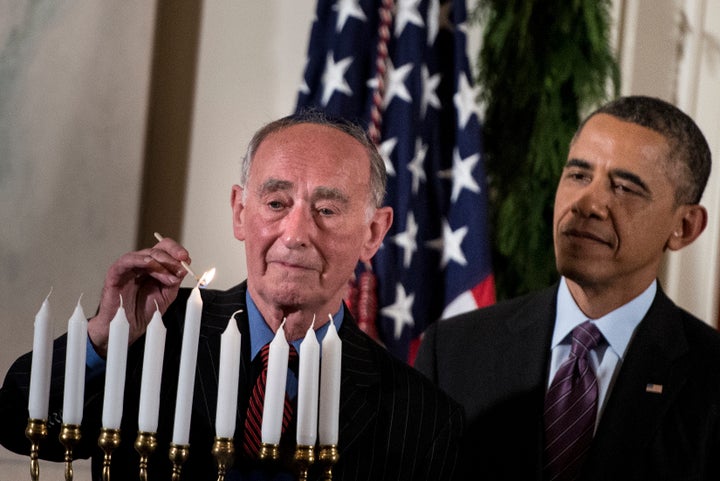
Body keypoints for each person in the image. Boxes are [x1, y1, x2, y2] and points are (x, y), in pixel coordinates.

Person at [0, 111, 464, 480]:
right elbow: (18, 424)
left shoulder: (421, 418)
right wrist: (106, 337)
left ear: (374, 232)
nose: (296, 233)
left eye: (326, 209)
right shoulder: (156, 335)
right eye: (277, 204)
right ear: (240, 212)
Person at [415, 95, 720, 480]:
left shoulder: (711, 381)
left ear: (685, 227)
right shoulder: (454, 351)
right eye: (578, 175)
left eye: (624, 188)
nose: (587, 203)